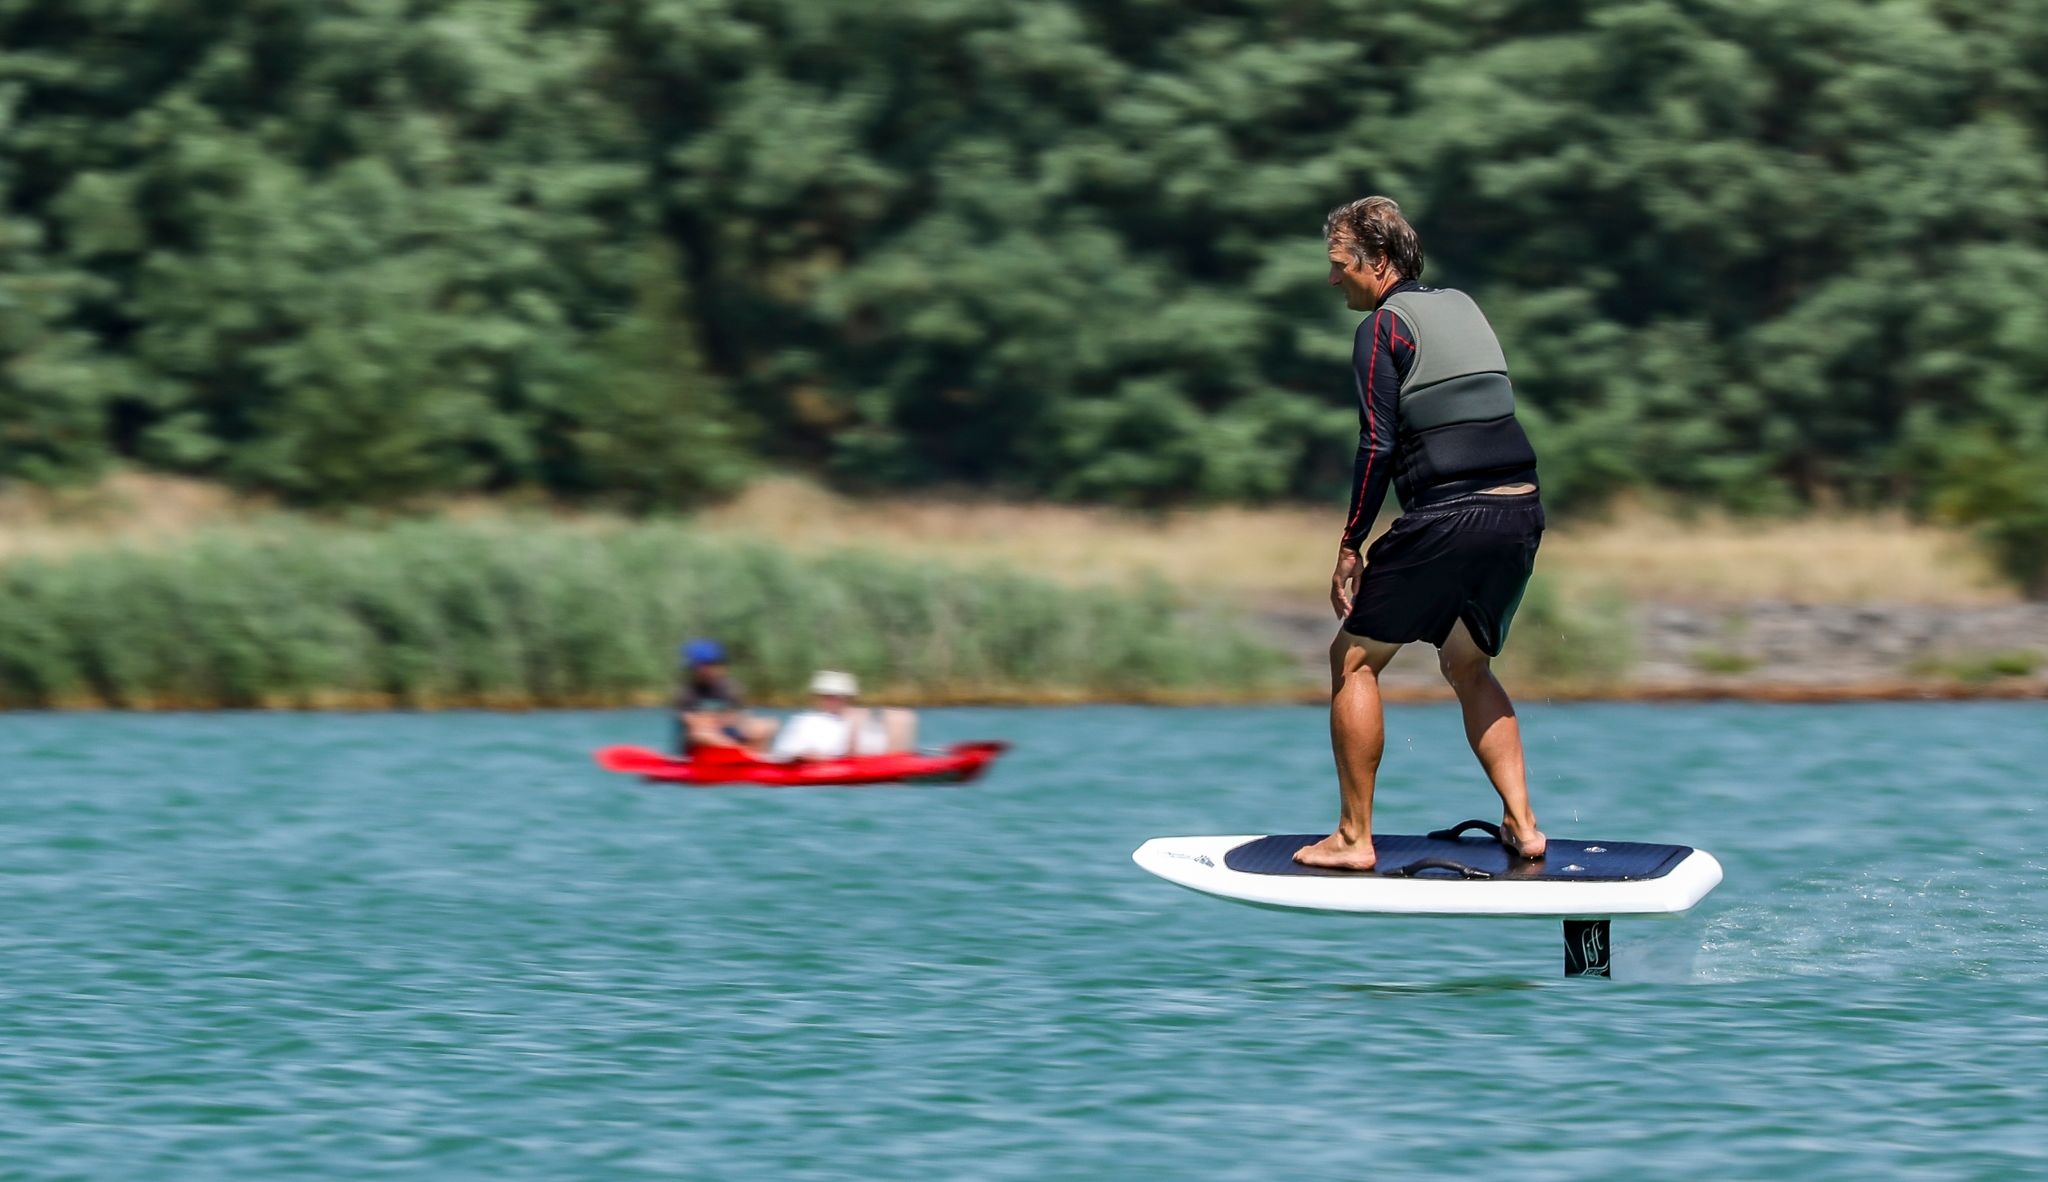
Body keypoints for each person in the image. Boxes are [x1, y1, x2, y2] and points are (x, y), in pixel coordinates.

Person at [1295, 196, 1548, 872]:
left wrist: (1350, 545)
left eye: (1340, 265)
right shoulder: (1464, 305)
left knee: (1353, 661)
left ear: (1377, 263)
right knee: (1467, 664)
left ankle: (1353, 838)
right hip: (1521, 510)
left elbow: (1377, 445)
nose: (1333, 279)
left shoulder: (1382, 328)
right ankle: (1524, 825)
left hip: (1452, 515)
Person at [770, 671, 918, 759]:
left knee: (901, 717)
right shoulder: (806, 721)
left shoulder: (858, 716)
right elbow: (791, 754)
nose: (835, 700)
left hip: (873, 758)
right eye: (829, 696)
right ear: (818, 697)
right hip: (841, 762)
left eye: (840, 696)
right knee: (859, 719)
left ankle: (903, 766)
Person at [674, 639, 776, 753]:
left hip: (729, 735)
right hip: (703, 746)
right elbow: (693, 723)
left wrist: (716, 720)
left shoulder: (732, 688)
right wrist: (723, 720)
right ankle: (743, 752)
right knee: (699, 735)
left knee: (767, 725)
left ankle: (756, 762)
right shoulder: (687, 692)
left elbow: (742, 717)